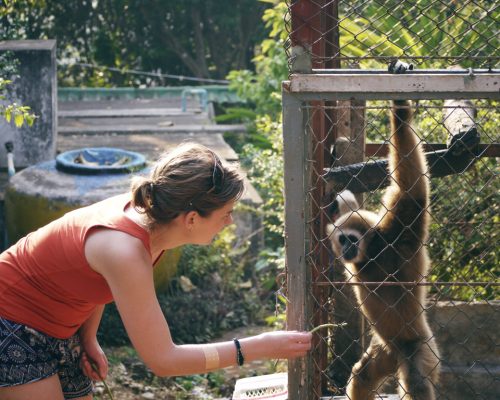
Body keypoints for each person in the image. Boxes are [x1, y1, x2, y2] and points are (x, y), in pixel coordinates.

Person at [0, 142, 312, 400]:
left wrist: (89, 337)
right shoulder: (125, 248)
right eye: (226, 213)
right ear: (191, 219)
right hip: (10, 322)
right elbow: (163, 360)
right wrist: (256, 348)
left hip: (60, 326)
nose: (230, 222)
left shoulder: (152, 219)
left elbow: (92, 276)